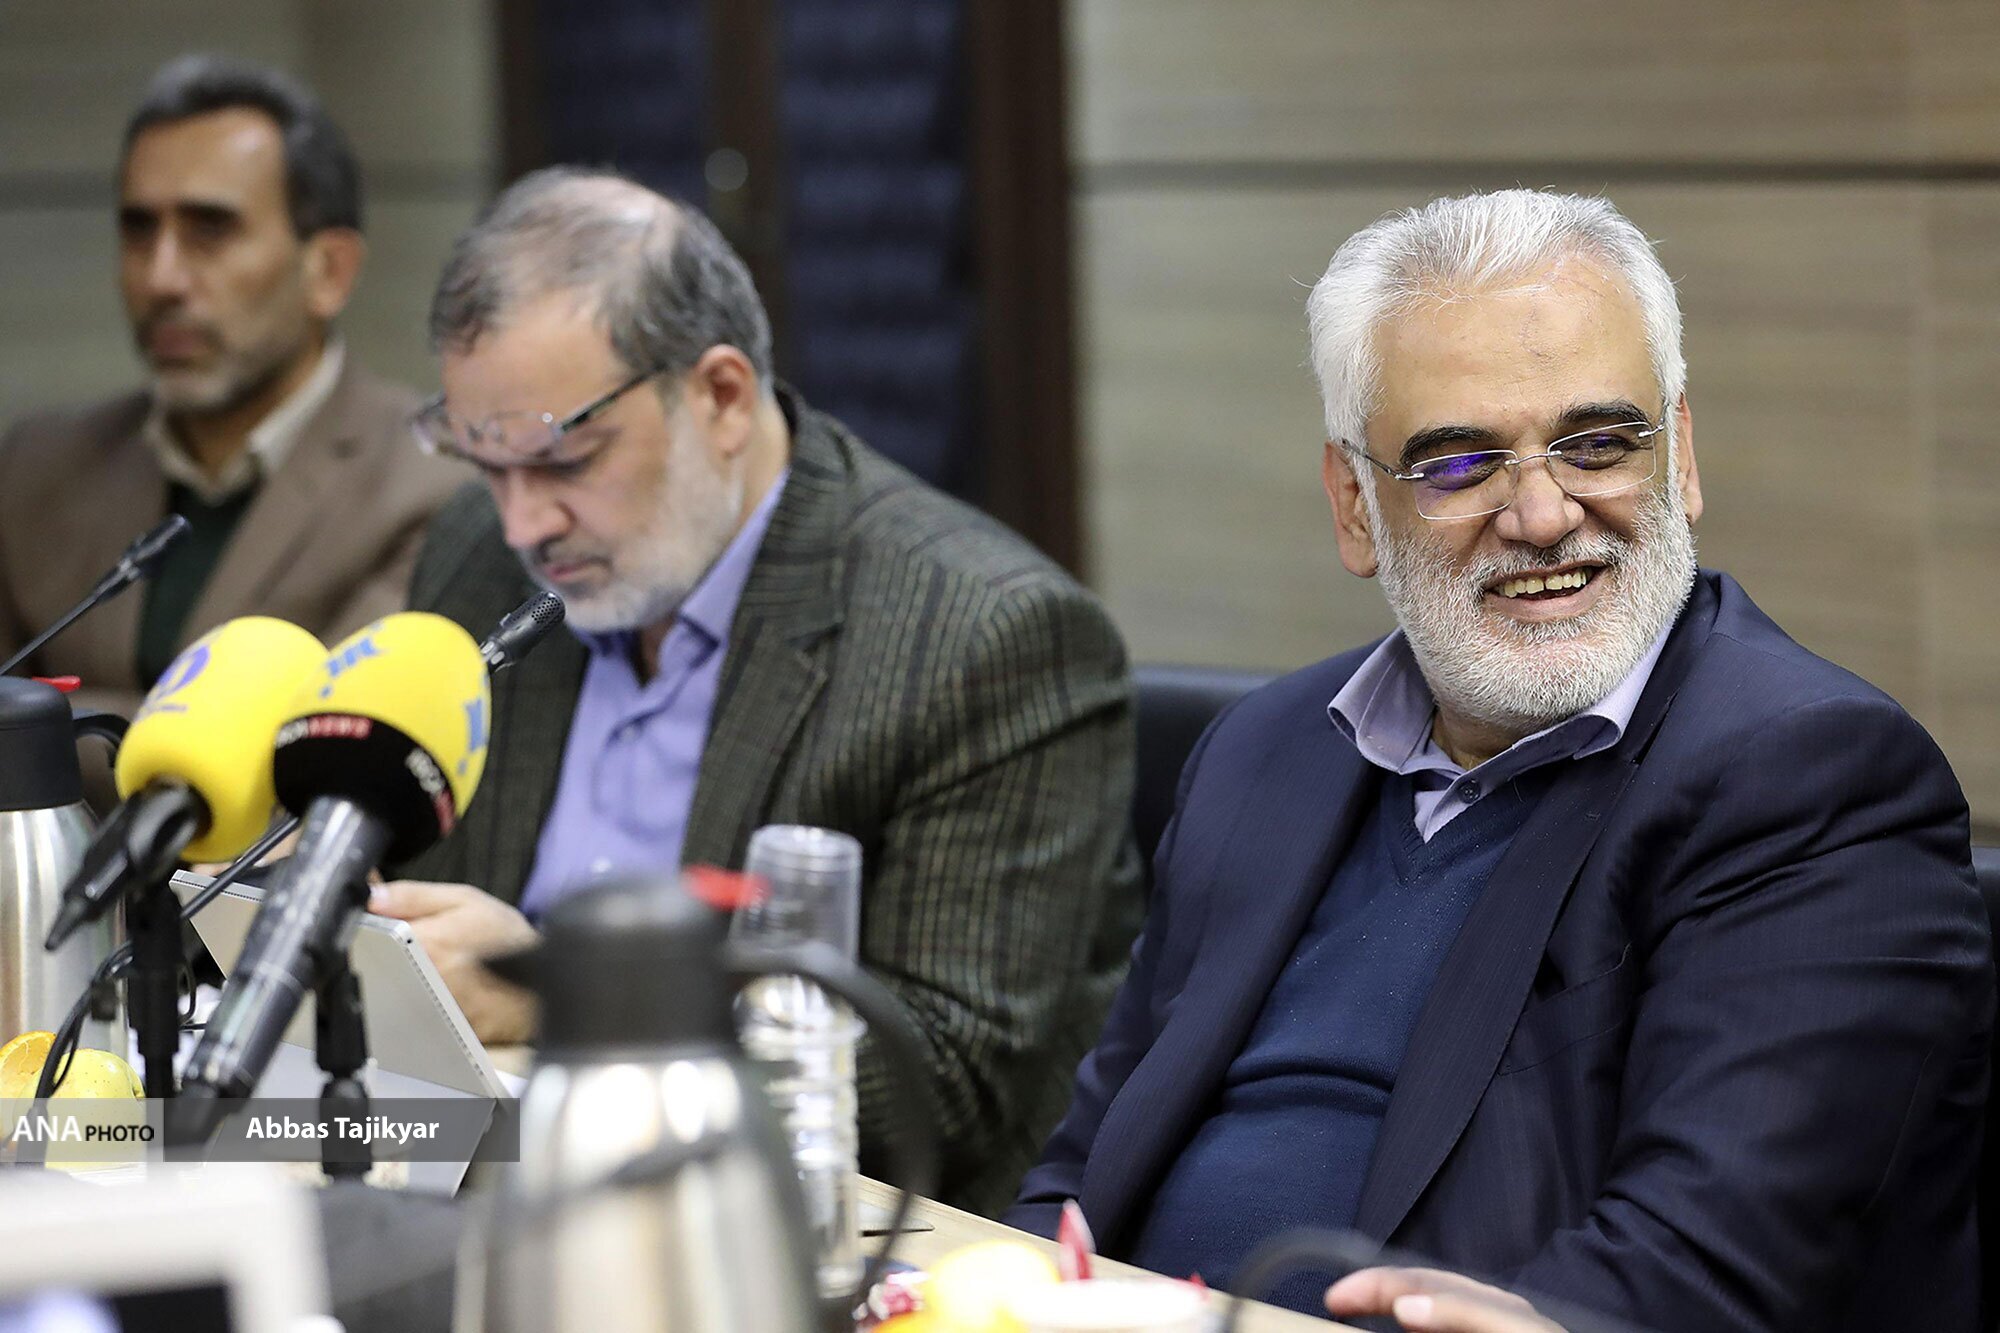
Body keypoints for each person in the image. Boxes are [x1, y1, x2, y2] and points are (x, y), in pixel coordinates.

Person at [1007, 190, 1992, 1331]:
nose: (1540, 514)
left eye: (1597, 444)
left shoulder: (1817, 780)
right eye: (1460, 463)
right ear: (1354, 506)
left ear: (1679, 455)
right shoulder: (1260, 752)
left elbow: (1700, 1267)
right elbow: (1081, 1173)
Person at [372, 167, 1142, 1216]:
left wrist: (559, 995)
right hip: (475, 1181)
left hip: (782, 1228)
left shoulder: (984, 633)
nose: (522, 524)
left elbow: (947, 1077)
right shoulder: (477, 553)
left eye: (563, 460)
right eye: (486, 465)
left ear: (722, 397)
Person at [0, 55, 460, 717]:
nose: (161, 278)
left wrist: (56, 720)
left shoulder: (429, 484)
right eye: (139, 230)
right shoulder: (37, 468)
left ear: (329, 271)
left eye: (210, 231)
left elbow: (304, 740)